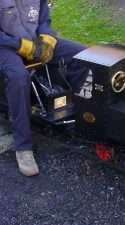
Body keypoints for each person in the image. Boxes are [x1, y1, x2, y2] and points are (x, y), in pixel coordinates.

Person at [0, 0, 88, 176]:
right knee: (18, 77)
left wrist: (47, 40)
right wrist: (22, 46)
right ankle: (23, 147)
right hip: (4, 46)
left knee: (85, 56)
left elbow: (44, 21)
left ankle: (79, 116)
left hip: (33, 43)